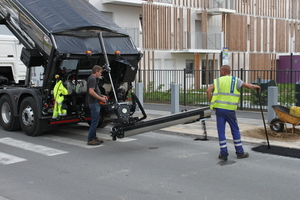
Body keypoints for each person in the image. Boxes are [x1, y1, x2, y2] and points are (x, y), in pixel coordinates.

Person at [206, 65, 260, 161]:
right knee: (235, 130)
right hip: (230, 111)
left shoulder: (218, 81)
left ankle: (223, 154)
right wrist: (256, 87)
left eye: (220, 70)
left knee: (221, 131)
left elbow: (208, 90)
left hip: (219, 110)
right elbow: (248, 86)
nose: (219, 72)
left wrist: (211, 103)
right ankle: (240, 152)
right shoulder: (235, 80)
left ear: (223, 71)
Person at [86, 65, 108, 145]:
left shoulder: (93, 79)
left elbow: (95, 91)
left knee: (95, 121)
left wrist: (101, 95)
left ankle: (94, 137)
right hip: (94, 103)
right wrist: (100, 98)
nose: (101, 74)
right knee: (94, 121)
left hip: (95, 102)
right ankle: (90, 139)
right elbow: (91, 92)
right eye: (100, 72)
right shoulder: (92, 79)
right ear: (96, 71)